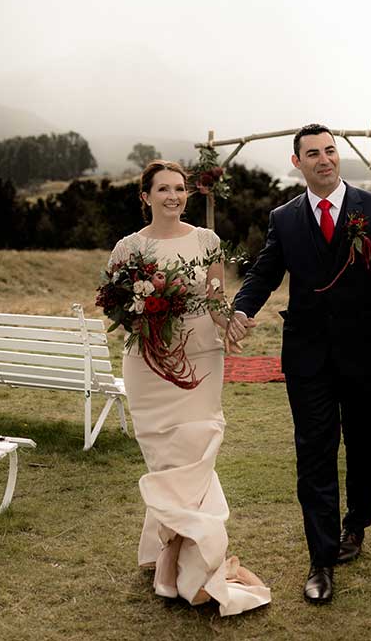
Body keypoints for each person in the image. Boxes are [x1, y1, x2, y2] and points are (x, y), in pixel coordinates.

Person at [229, 124, 371, 604]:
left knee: (365, 445)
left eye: (330, 150)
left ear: (338, 156)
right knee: (314, 453)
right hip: (307, 356)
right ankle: (321, 558)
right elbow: (265, 272)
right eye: (312, 153)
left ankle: (357, 524)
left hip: (365, 353)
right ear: (298, 163)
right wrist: (241, 309)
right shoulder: (284, 218)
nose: (324, 159)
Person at [108, 160, 271, 617]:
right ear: (145, 197)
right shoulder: (127, 249)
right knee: (166, 461)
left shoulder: (207, 242)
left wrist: (233, 323)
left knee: (195, 455)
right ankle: (171, 555)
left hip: (200, 360)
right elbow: (118, 311)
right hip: (148, 364)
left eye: (180, 188)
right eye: (163, 189)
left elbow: (217, 304)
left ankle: (173, 559)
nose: (174, 196)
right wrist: (147, 314)